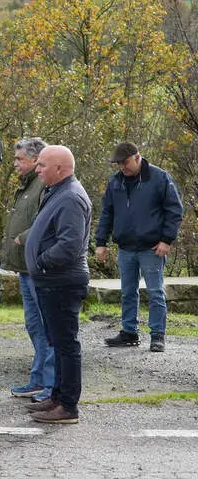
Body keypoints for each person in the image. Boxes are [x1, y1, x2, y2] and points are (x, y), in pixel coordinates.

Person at [25, 145, 92, 424]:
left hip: (61, 282)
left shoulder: (71, 197)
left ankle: (68, 406)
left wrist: (41, 262)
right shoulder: (57, 192)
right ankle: (57, 396)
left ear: (59, 168)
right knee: (57, 342)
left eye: (42, 165)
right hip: (51, 282)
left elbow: (70, 244)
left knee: (66, 345)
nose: (37, 169)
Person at [95, 141, 183, 353]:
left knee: (155, 292)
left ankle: (157, 335)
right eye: (118, 164)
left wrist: (166, 240)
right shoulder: (115, 181)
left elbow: (174, 211)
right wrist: (101, 242)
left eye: (125, 162)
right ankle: (129, 332)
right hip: (125, 247)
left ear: (137, 157)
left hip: (152, 248)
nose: (121, 167)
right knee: (127, 292)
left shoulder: (159, 178)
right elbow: (107, 213)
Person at [3, 138, 56, 402]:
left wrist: (23, 237)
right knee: (34, 325)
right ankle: (38, 379)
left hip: (37, 266)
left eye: (19, 159)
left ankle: (50, 383)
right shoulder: (27, 185)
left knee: (47, 327)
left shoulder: (43, 186)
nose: (15, 164)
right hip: (24, 267)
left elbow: (45, 222)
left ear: (36, 160)